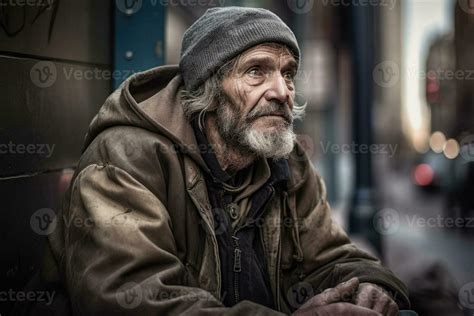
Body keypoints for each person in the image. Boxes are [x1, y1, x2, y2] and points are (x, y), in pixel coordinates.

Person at [38, 6, 410, 316]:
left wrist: (372, 284)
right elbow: (130, 298)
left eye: (288, 74)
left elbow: (331, 257)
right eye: (256, 72)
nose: (281, 91)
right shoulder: (124, 159)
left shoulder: (290, 165)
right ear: (210, 89)